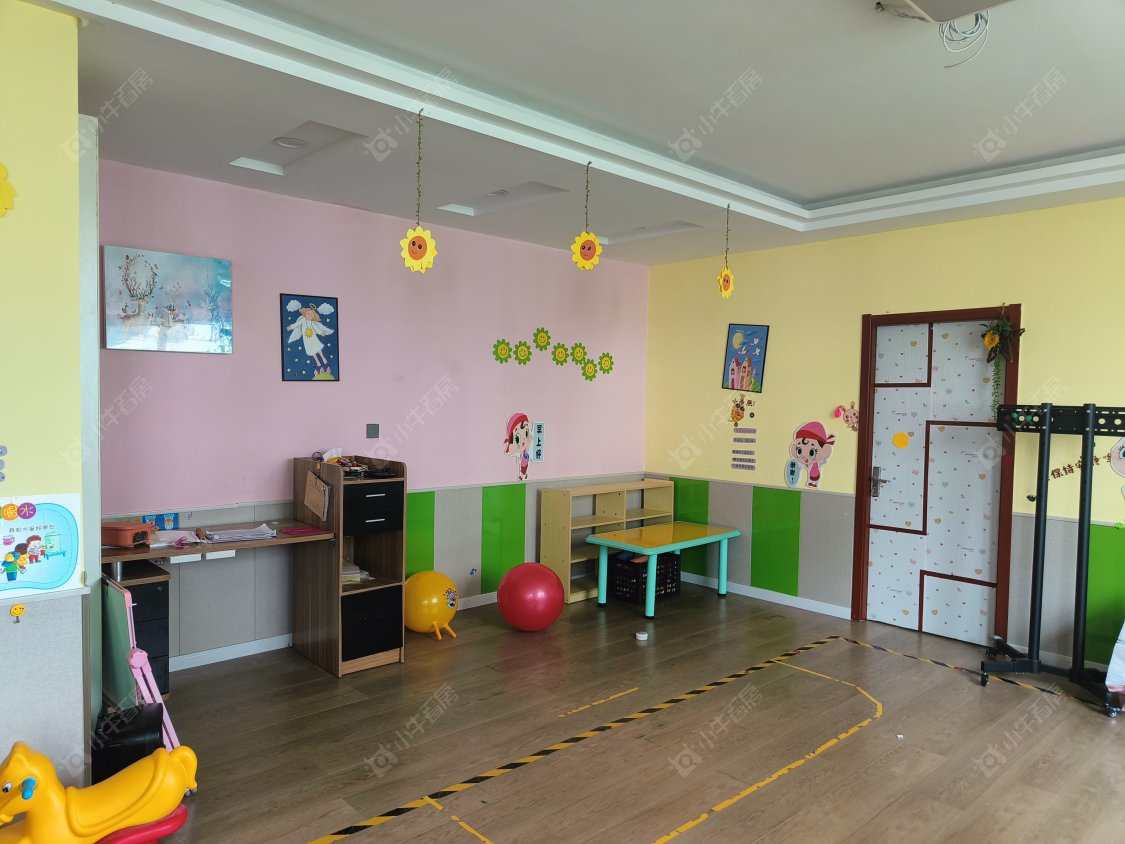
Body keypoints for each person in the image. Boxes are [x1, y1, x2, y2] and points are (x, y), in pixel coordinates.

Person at [504, 413, 531, 481]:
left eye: (526, 433)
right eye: (517, 438)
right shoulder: (512, 455)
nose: (524, 439)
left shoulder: (525, 455)